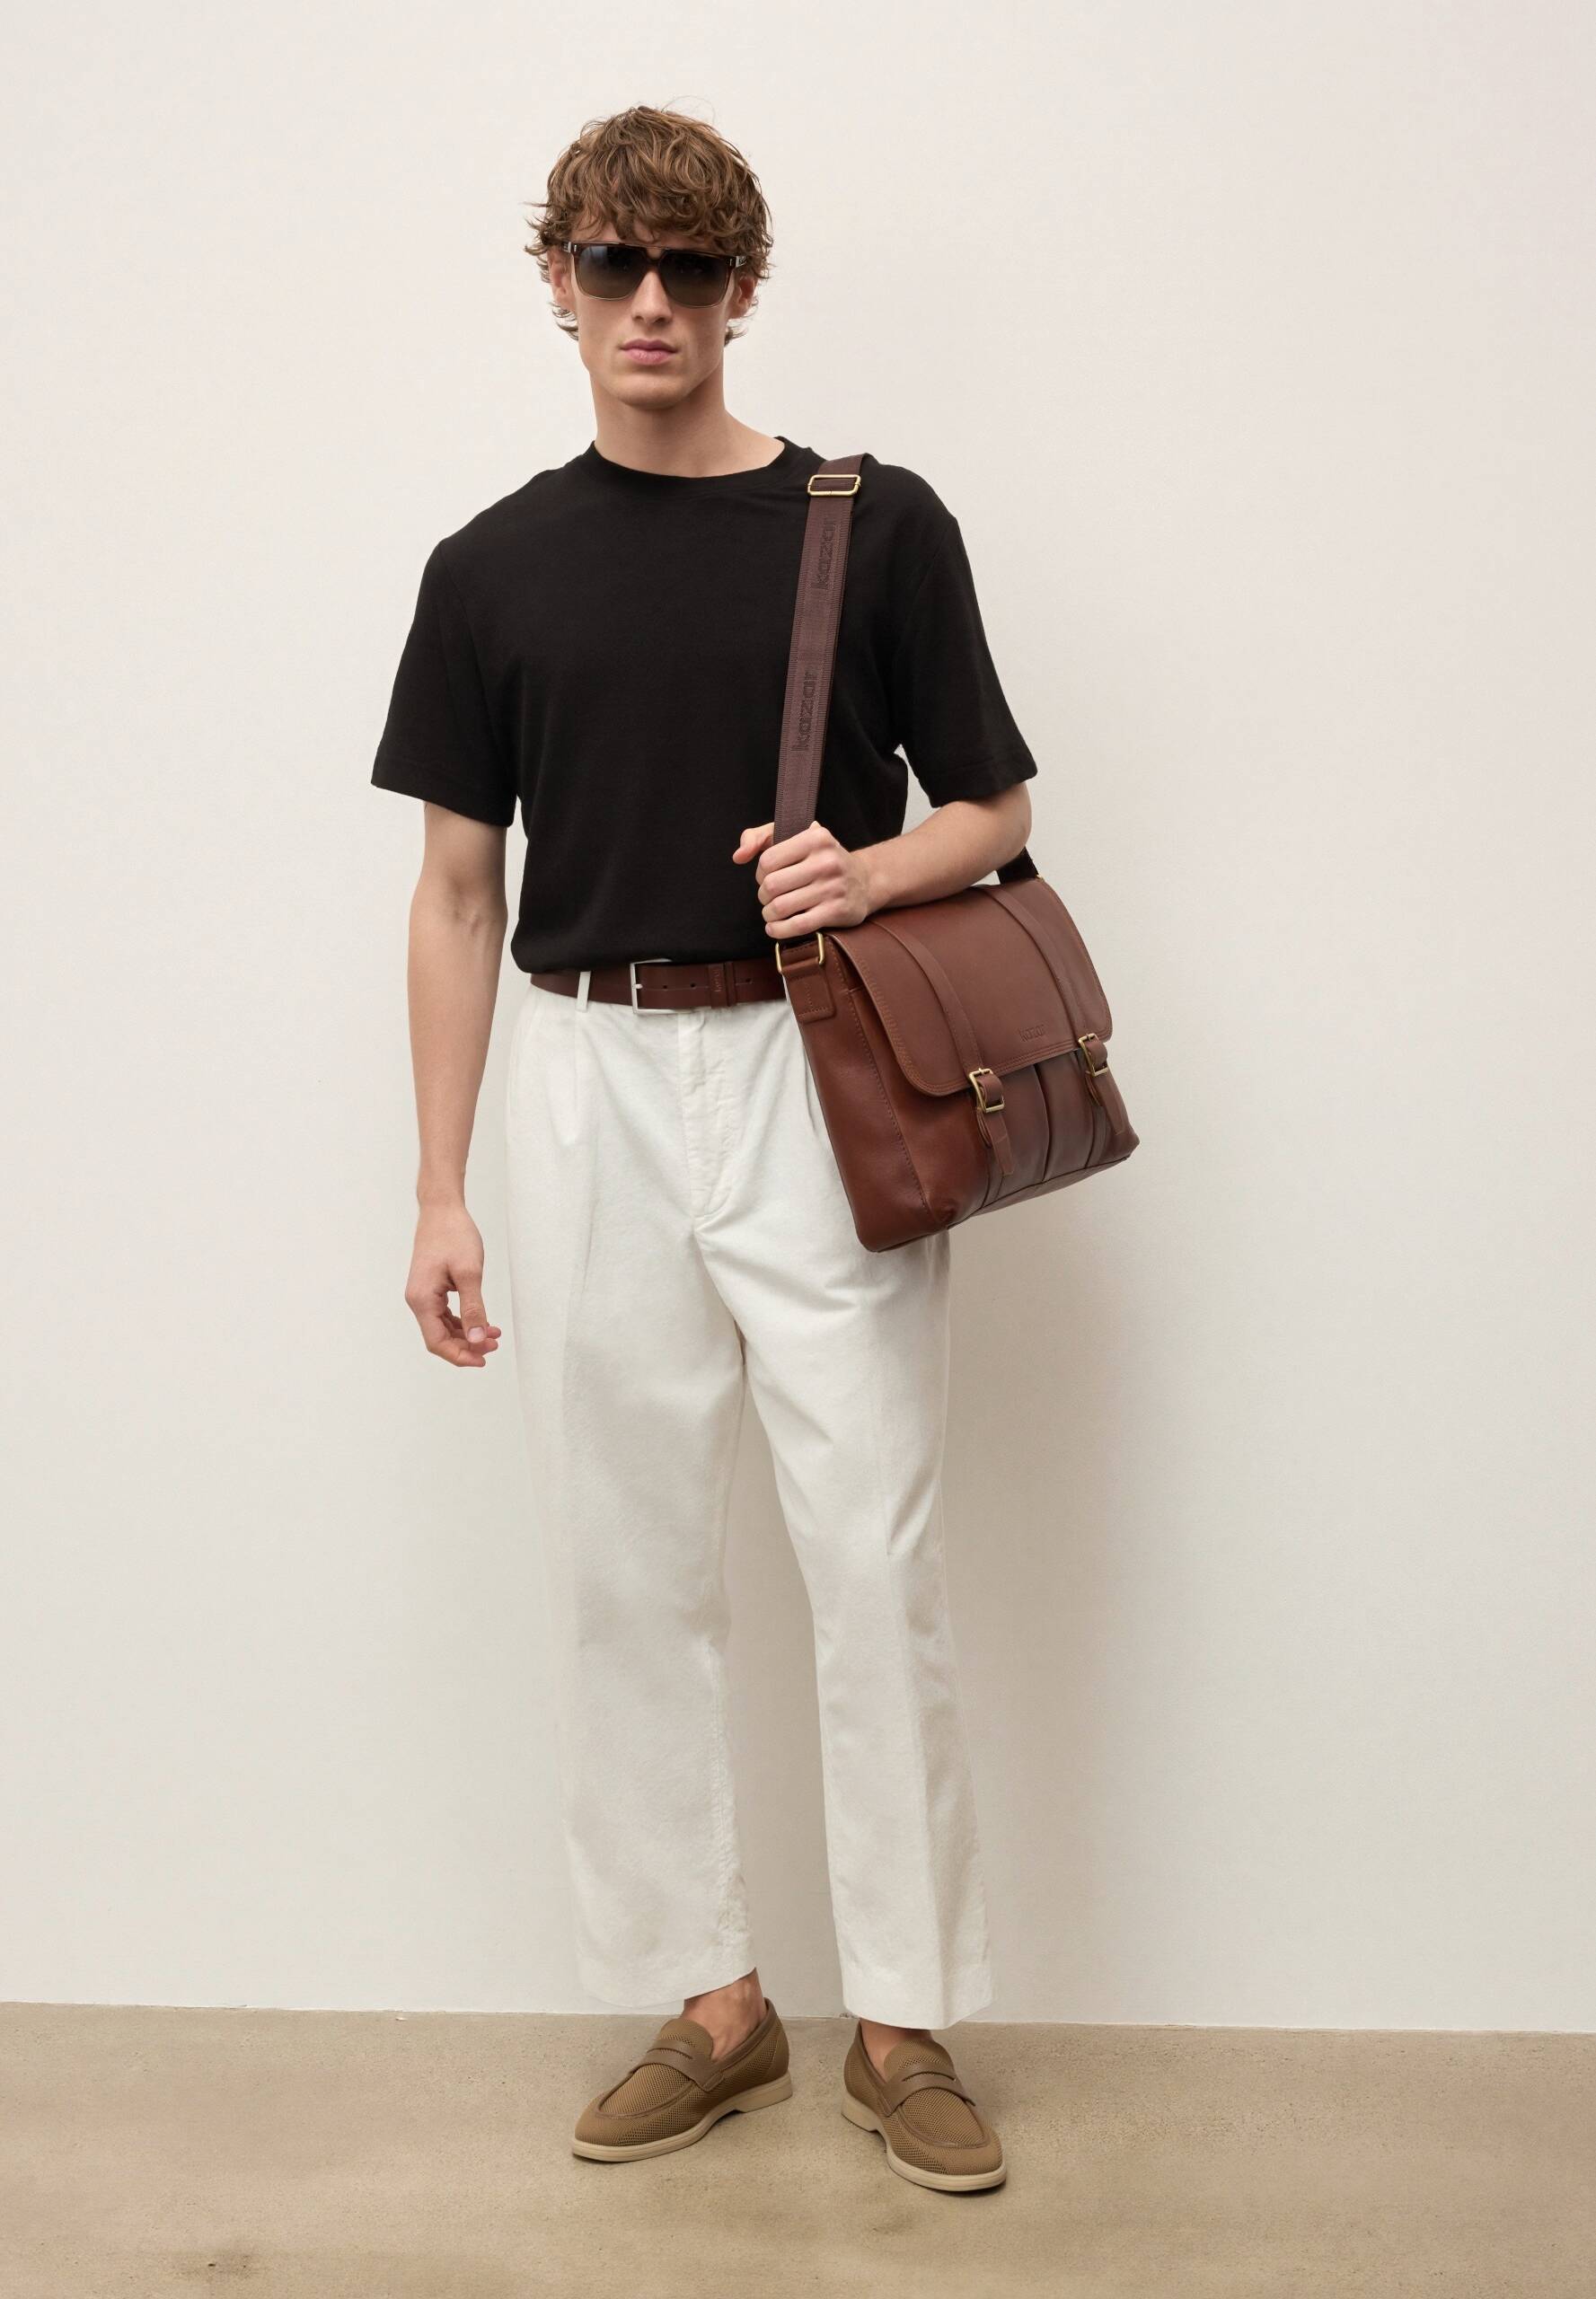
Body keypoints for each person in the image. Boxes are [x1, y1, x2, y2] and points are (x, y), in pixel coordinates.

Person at [369, 105, 1036, 2195]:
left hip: (819, 1073)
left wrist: (868, 869)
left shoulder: (872, 522)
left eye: (686, 268)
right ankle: (713, 1998)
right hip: (586, 1074)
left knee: (873, 1550)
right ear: (557, 283)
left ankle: (902, 2018)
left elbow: (994, 809)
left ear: (739, 289)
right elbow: (457, 894)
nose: (646, 302)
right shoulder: (487, 569)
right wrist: (442, 1184)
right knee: (626, 1560)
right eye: (610, 264)